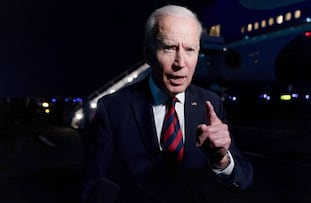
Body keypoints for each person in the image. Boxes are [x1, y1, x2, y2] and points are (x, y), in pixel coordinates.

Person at [81, 4, 253, 203]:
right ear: (148, 54)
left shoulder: (211, 103)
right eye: (169, 48)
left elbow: (244, 178)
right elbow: (93, 186)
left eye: (190, 50)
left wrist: (221, 159)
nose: (180, 62)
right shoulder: (113, 108)